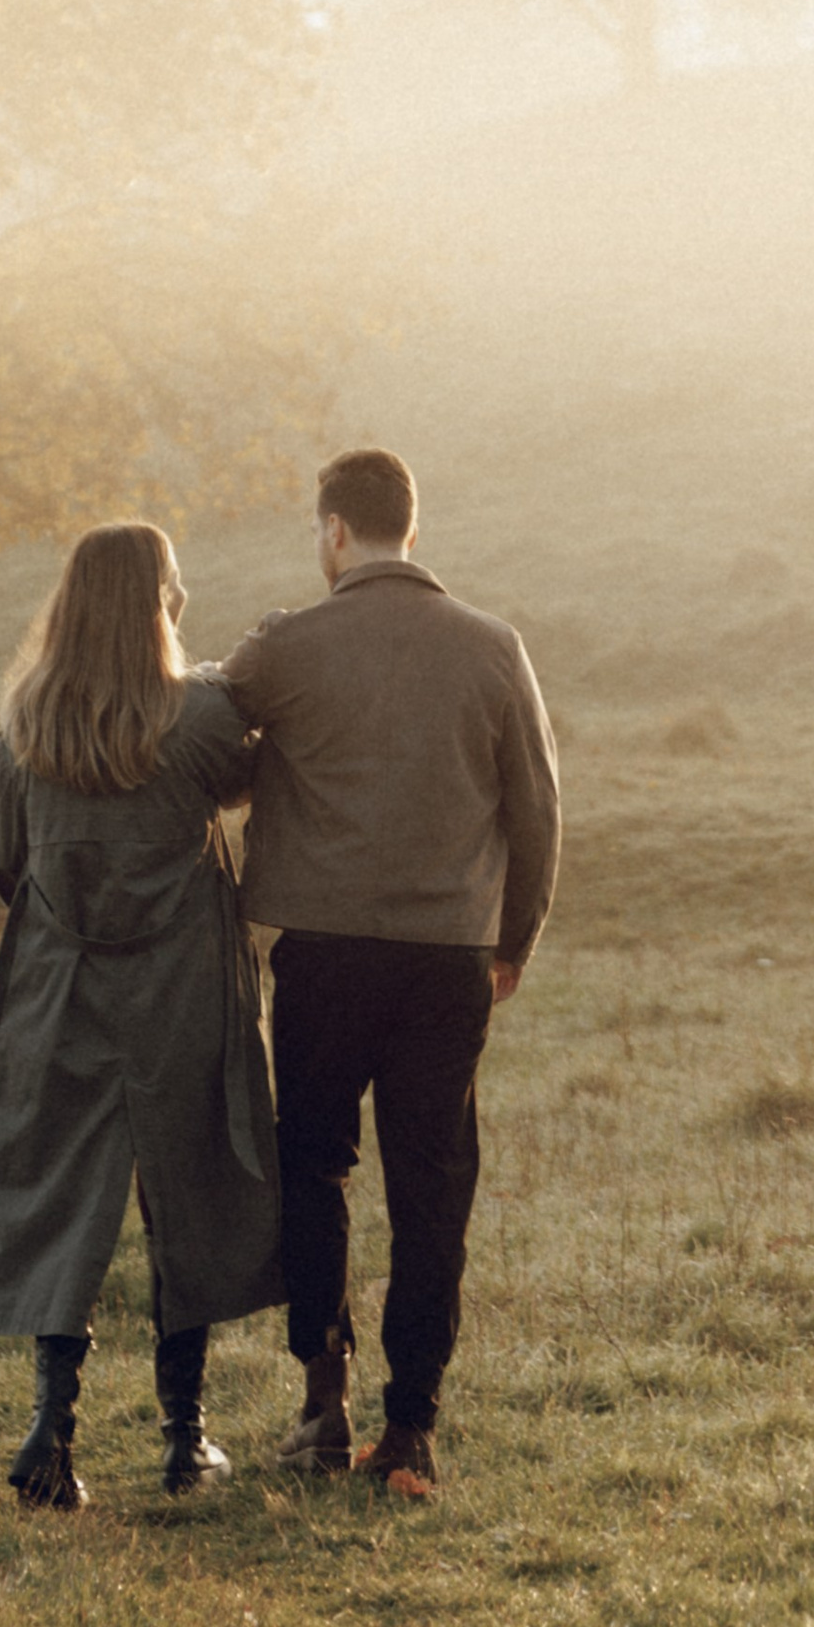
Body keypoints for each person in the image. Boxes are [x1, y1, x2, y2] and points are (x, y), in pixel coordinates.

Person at [221, 445, 559, 1491]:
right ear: (410, 527)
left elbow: (204, 742)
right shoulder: (493, 646)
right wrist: (512, 940)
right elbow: (537, 808)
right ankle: (410, 1431)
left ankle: (323, 1403)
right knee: (431, 1187)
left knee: (313, 1169)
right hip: (447, 959)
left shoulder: (285, 646)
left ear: (333, 530)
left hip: (323, 955)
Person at [0, 519, 282, 1509]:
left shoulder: (24, 730)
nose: (182, 595)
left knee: (61, 1197)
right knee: (189, 1186)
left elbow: (8, 868)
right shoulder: (199, 720)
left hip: (59, 993)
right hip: (179, 992)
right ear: (155, 601)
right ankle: (185, 1439)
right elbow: (251, 778)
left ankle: (51, 1433)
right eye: (173, 583)